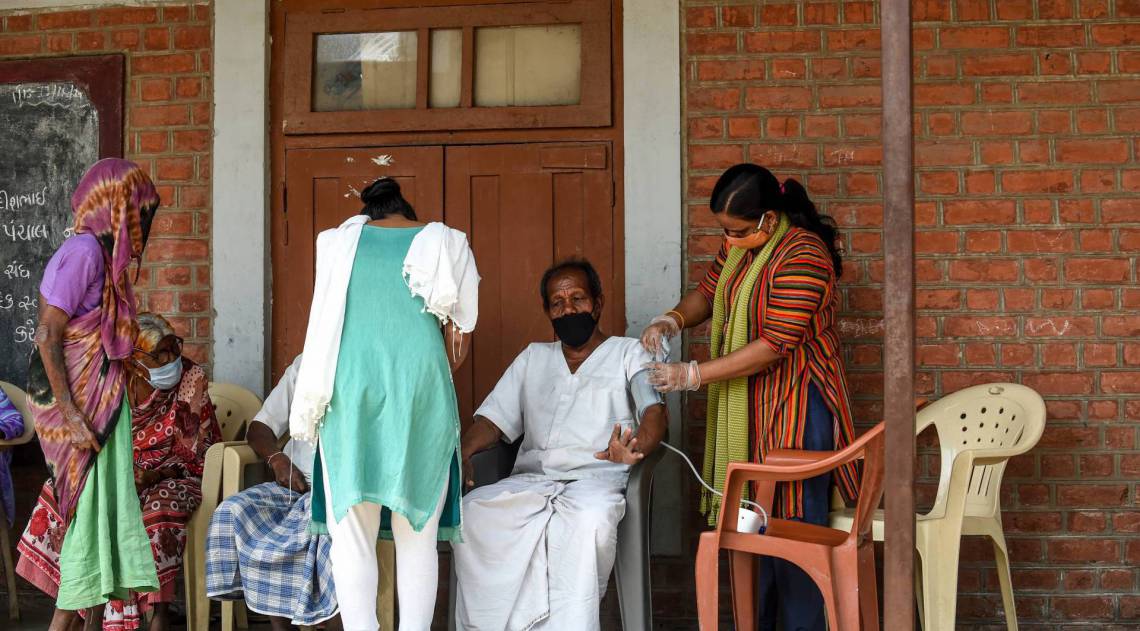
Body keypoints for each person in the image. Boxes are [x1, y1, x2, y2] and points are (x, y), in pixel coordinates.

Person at [641, 163, 860, 631]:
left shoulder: (804, 255)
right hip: (752, 411)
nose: (729, 239)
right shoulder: (743, 244)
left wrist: (692, 374)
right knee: (752, 530)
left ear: (767, 218)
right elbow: (708, 291)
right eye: (724, 231)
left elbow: (772, 346)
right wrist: (672, 319)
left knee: (794, 533)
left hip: (798, 410)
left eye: (736, 230)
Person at [289, 177, 479, 631]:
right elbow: (458, 344)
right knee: (419, 538)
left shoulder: (336, 245)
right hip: (421, 396)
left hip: (349, 396)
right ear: (407, 212)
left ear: (369, 212)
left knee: (352, 538)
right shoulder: (446, 242)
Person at [453, 259, 667, 631]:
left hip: (598, 483)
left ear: (597, 304)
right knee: (471, 513)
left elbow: (653, 411)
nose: (568, 309)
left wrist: (637, 447)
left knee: (591, 522)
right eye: (558, 303)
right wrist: (463, 453)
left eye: (578, 299)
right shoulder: (533, 358)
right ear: (547, 311)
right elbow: (492, 419)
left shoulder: (630, 353)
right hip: (532, 482)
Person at [20, 158, 161, 631]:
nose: (143, 224)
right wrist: (72, 416)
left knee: (105, 521)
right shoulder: (83, 252)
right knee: (89, 524)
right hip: (83, 412)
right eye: (139, 211)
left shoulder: (105, 258)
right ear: (117, 207)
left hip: (103, 407)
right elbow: (47, 335)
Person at [18, 312, 221, 631]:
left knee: (155, 509)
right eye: (160, 354)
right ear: (135, 357)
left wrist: (152, 475)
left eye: (173, 349)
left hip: (174, 475)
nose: (171, 360)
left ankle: (159, 613)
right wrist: (118, 473)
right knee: (63, 494)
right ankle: (83, 601)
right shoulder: (112, 383)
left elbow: (195, 452)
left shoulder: (191, 378)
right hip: (117, 470)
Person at [206, 354, 342, 631]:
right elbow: (260, 428)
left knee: (327, 539)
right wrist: (278, 460)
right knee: (231, 512)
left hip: (343, 492)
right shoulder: (308, 362)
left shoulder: (374, 364)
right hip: (294, 484)